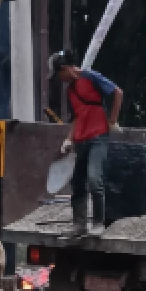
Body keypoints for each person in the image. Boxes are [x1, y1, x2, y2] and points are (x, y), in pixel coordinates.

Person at [49, 50, 124, 237]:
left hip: (98, 135)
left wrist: (112, 120)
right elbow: (76, 115)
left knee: (94, 179)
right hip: (81, 139)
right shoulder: (70, 90)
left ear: (65, 69)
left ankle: (98, 223)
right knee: (77, 182)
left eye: (59, 74)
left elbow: (117, 92)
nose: (60, 79)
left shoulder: (91, 77)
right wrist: (68, 138)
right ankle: (79, 225)